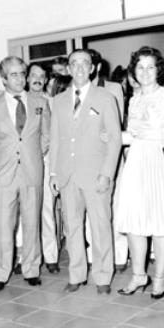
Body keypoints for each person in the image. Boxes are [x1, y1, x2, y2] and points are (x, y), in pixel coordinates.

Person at [115, 46, 164, 299]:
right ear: (134, 71)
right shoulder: (134, 98)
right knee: (135, 222)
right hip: (137, 161)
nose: (145, 72)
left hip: (162, 162)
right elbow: (133, 135)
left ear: (158, 69)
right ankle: (139, 274)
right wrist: (108, 137)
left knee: (161, 223)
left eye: (150, 67)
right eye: (140, 67)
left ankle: (159, 276)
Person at [49, 49, 122, 295]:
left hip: (96, 175)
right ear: (68, 69)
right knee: (72, 227)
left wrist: (107, 173)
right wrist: (53, 175)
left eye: (84, 64)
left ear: (93, 68)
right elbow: (56, 140)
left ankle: (103, 277)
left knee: (101, 226)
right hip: (67, 175)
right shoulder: (58, 100)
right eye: (74, 64)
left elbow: (114, 140)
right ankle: (77, 274)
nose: (79, 68)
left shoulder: (105, 97)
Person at [0, 56, 50, 292]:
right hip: (4, 174)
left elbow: (46, 136)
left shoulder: (40, 102)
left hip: (32, 171)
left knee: (32, 222)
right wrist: (0, 160)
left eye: (22, 73)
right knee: (3, 225)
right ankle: (1, 272)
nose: (20, 78)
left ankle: (31, 268)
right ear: (3, 78)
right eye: (14, 75)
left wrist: (32, 156)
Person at [86, 49, 128, 272]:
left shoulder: (113, 89)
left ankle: (119, 254)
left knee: (115, 204)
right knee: (90, 208)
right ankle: (95, 253)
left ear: (97, 67)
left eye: (89, 64)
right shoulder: (75, 92)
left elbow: (114, 125)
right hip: (87, 157)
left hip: (110, 154)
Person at [26, 62, 59, 273]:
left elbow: (55, 135)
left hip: (45, 161)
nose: (37, 79)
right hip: (23, 164)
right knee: (25, 212)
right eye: (33, 75)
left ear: (46, 80)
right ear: (27, 78)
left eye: (41, 76)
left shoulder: (53, 103)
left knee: (47, 209)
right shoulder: (18, 101)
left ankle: (51, 256)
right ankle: (26, 256)